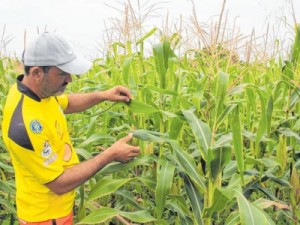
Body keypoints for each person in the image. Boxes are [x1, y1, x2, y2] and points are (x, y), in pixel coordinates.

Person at [1, 32, 140, 225]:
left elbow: (65, 103)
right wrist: (110, 154)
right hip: (45, 218)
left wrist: (104, 95)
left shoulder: (38, 92)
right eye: (62, 73)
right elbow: (59, 183)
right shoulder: (24, 125)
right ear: (36, 72)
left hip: (58, 211)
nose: (70, 79)